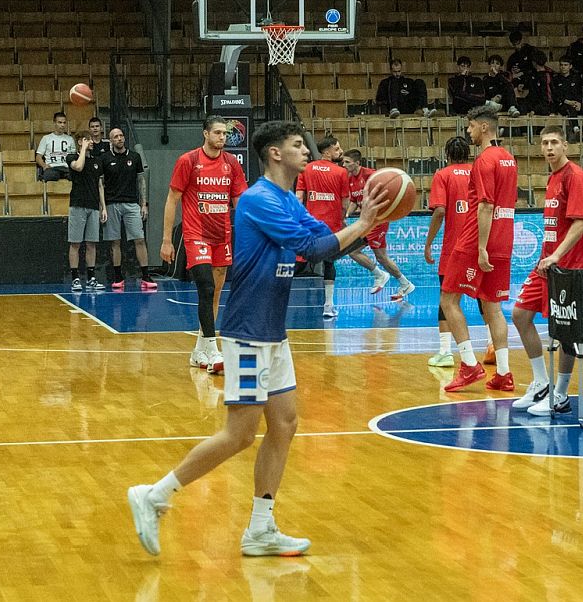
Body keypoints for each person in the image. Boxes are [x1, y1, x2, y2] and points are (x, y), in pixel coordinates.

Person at [126, 120, 396, 558]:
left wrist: (365, 223)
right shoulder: (258, 200)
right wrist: (364, 222)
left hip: (273, 331)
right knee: (239, 434)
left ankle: (260, 529)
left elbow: (325, 241)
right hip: (248, 331)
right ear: (274, 153)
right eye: (297, 146)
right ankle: (154, 495)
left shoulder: (289, 201)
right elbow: (312, 250)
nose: (307, 152)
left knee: (285, 423)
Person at [510, 126, 583, 415]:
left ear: (565, 146)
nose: (549, 147)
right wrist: (547, 257)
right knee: (520, 314)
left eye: (554, 142)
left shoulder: (575, 176)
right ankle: (541, 383)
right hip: (547, 265)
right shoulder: (552, 177)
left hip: (570, 267)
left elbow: (581, 223)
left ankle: (561, 394)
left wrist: (557, 255)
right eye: (545, 143)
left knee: (565, 331)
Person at [439, 107, 518, 393]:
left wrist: (481, 247)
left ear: (484, 127)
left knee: (448, 300)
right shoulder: (509, 158)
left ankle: (469, 364)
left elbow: (485, 205)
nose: (468, 132)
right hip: (505, 238)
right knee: (493, 306)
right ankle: (504, 373)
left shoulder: (485, 160)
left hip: (477, 239)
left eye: (470, 126)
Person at [161, 116, 247, 371]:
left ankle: (199, 351)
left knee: (215, 295)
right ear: (205, 134)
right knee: (206, 288)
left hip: (222, 236)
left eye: (224, 133)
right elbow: (172, 200)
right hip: (196, 234)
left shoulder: (231, 163)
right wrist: (167, 240)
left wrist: (246, 235)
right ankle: (212, 348)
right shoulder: (188, 161)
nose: (222, 137)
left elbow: (239, 202)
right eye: (218, 133)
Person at [296, 135, 378, 318]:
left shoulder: (306, 169)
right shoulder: (341, 172)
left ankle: (272, 298)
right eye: (337, 149)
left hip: (309, 224)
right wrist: (342, 220)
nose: (340, 152)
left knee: (298, 264)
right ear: (327, 151)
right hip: (330, 226)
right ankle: (328, 305)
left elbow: (298, 198)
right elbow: (345, 203)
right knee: (329, 262)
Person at [423, 136, 475, 368]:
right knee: (487, 300)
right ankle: (495, 347)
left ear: (447, 154)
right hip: (479, 244)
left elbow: (440, 210)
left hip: (455, 248)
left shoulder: (442, 175)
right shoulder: (478, 172)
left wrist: (428, 242)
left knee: (446, 300)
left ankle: (445, 352)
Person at [341, 150, 415, 301]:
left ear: (357, 163)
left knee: (353, 251)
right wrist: (346, 215)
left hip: (377, 220)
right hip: (368, 221)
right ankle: (405, 283)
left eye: (347, 162)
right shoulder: (350, 179)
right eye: (343, 162)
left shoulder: (372, 175)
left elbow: (389, 190)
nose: (344, 165)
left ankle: (379, 275)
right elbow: (355, 201)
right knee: (382, 257)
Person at [102, 127, 153, 292]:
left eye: (121, 135)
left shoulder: (134, 157)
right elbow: (100, 184)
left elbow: (141, 181)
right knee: (115, 242)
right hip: (112, 204)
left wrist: (143, 203)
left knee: (139, 239)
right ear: (111, 140)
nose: (119, 138)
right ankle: (118, 276)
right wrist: (102, 207)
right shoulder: (105, 159)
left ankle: (145, 276)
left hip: (132, 204)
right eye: (115, 136)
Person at [66, 131, 108, 293]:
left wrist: (103, 207)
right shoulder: (71, 157)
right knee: (75, 243)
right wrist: (82, 149)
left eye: (90, 139)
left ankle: (91, 278)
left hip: (93, 206)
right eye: (87, 139)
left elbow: (99, 185)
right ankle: (75, 278)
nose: (91, 142)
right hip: (77, 205)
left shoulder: (97, 161)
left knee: (91, 244)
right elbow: (78, 167)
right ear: (79, 142)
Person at [35, 111, 75, 182]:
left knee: (77, 176)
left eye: (64, 123)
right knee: (50, 176)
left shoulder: (70, 139)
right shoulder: (46, 138)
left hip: (66, 168)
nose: (62, 125)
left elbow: (74, 157)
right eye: (60, 122)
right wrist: (44, 166)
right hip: (52, 168)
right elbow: (38, 157)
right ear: (54, 123)